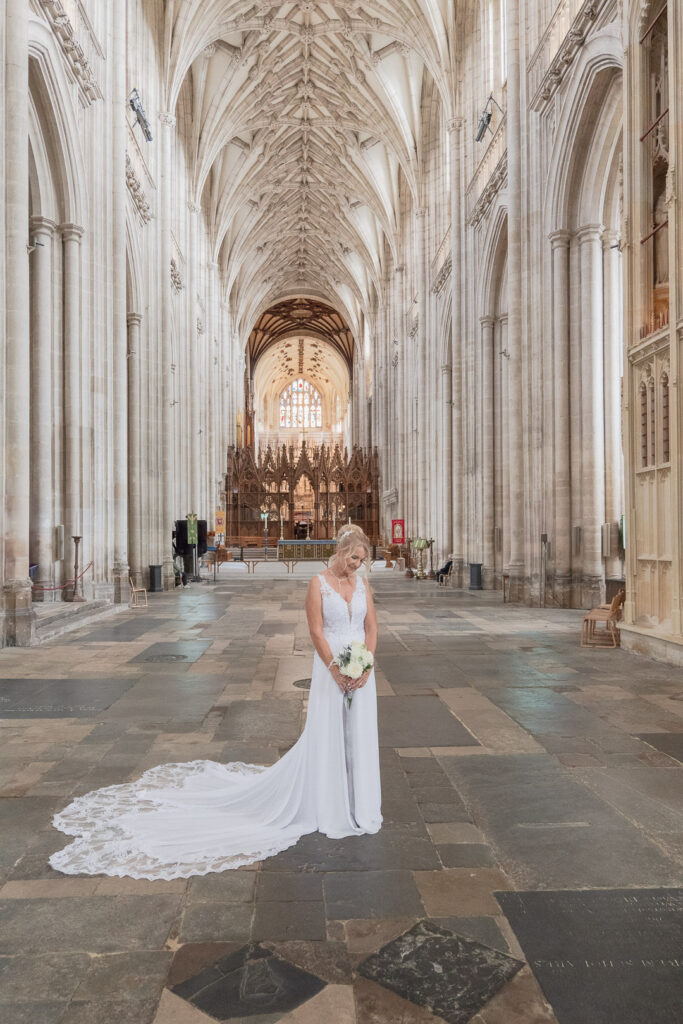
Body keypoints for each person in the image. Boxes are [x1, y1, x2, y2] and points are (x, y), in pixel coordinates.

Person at [48, 526, 382, 879]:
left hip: (361, 670)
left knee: (358, 735)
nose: (357, 565)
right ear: (340, 551)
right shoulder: (318, 583)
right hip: (330, 666)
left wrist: (367, 664)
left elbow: (371, 627)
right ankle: (329, 802)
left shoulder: (362, 585)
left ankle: (359, 802)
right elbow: (316, 631)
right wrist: (334, 668)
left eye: (362, 560)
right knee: (328, 732)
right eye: (353, 558)